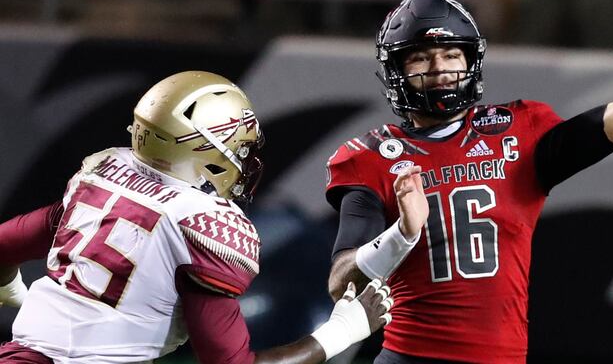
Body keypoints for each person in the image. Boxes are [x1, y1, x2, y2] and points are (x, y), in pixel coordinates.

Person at [324, 0, 613, 363]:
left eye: (451, 53)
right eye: (421, 57)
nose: (439, 67)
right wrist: (401, 235)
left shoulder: (518, 132)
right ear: (397, 71)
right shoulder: (372, 157)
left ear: (471, 59)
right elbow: (342, 284)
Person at [0, 71, 393, 364]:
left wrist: (18, 293)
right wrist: (342, 330)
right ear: (206, 149)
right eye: (240, 148)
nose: (244, 159)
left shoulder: (102, 176)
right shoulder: (202, 223)